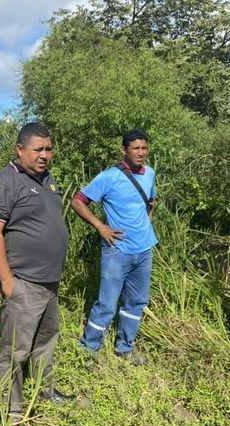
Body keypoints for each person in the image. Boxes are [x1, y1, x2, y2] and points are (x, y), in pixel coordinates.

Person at [0, 122, 73, 420]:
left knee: (46, 340)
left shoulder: (48, 180)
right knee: (15, 351)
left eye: (49, 149)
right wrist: (7, 282)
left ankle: (44, 391)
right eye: (38, 149)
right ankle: (13, 413)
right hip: (24, 282)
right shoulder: (6, 182)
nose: (44, 155)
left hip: (49, 282)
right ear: (19, 150)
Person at [71, 129, 157, 366]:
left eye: (144, 148)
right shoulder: (109, 177)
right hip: (117, 250)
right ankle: (88, 350)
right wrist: (101, 227)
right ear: (123, 150)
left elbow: (151, 201)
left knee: (136, 302)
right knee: (107, 304)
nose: (141, 153)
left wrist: (146, 222)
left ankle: (125, 348)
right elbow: (77, 201)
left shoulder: (150, 173)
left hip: (144, 250)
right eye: (135, 148)